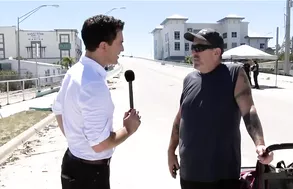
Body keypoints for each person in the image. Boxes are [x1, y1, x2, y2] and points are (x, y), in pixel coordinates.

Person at [167, 28, 273, 189]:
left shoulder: (234, 73)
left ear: (216, 52)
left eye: (200, 48)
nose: (194, 53)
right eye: (193, 48)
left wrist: (260, 144)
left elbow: (248, 110)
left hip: (222, 176)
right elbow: (181, 118)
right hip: (189, 174)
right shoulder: (189, 79)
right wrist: (170, 151)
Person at [52, 15, 141, 189]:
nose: (122, 48)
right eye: (120, 42)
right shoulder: (93, 85)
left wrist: (75, 141)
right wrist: (129, 128)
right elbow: (100, 145)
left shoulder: (74, 72)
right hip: (89, 175)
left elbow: (57, 109)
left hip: (72, 163)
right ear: (103, 46)